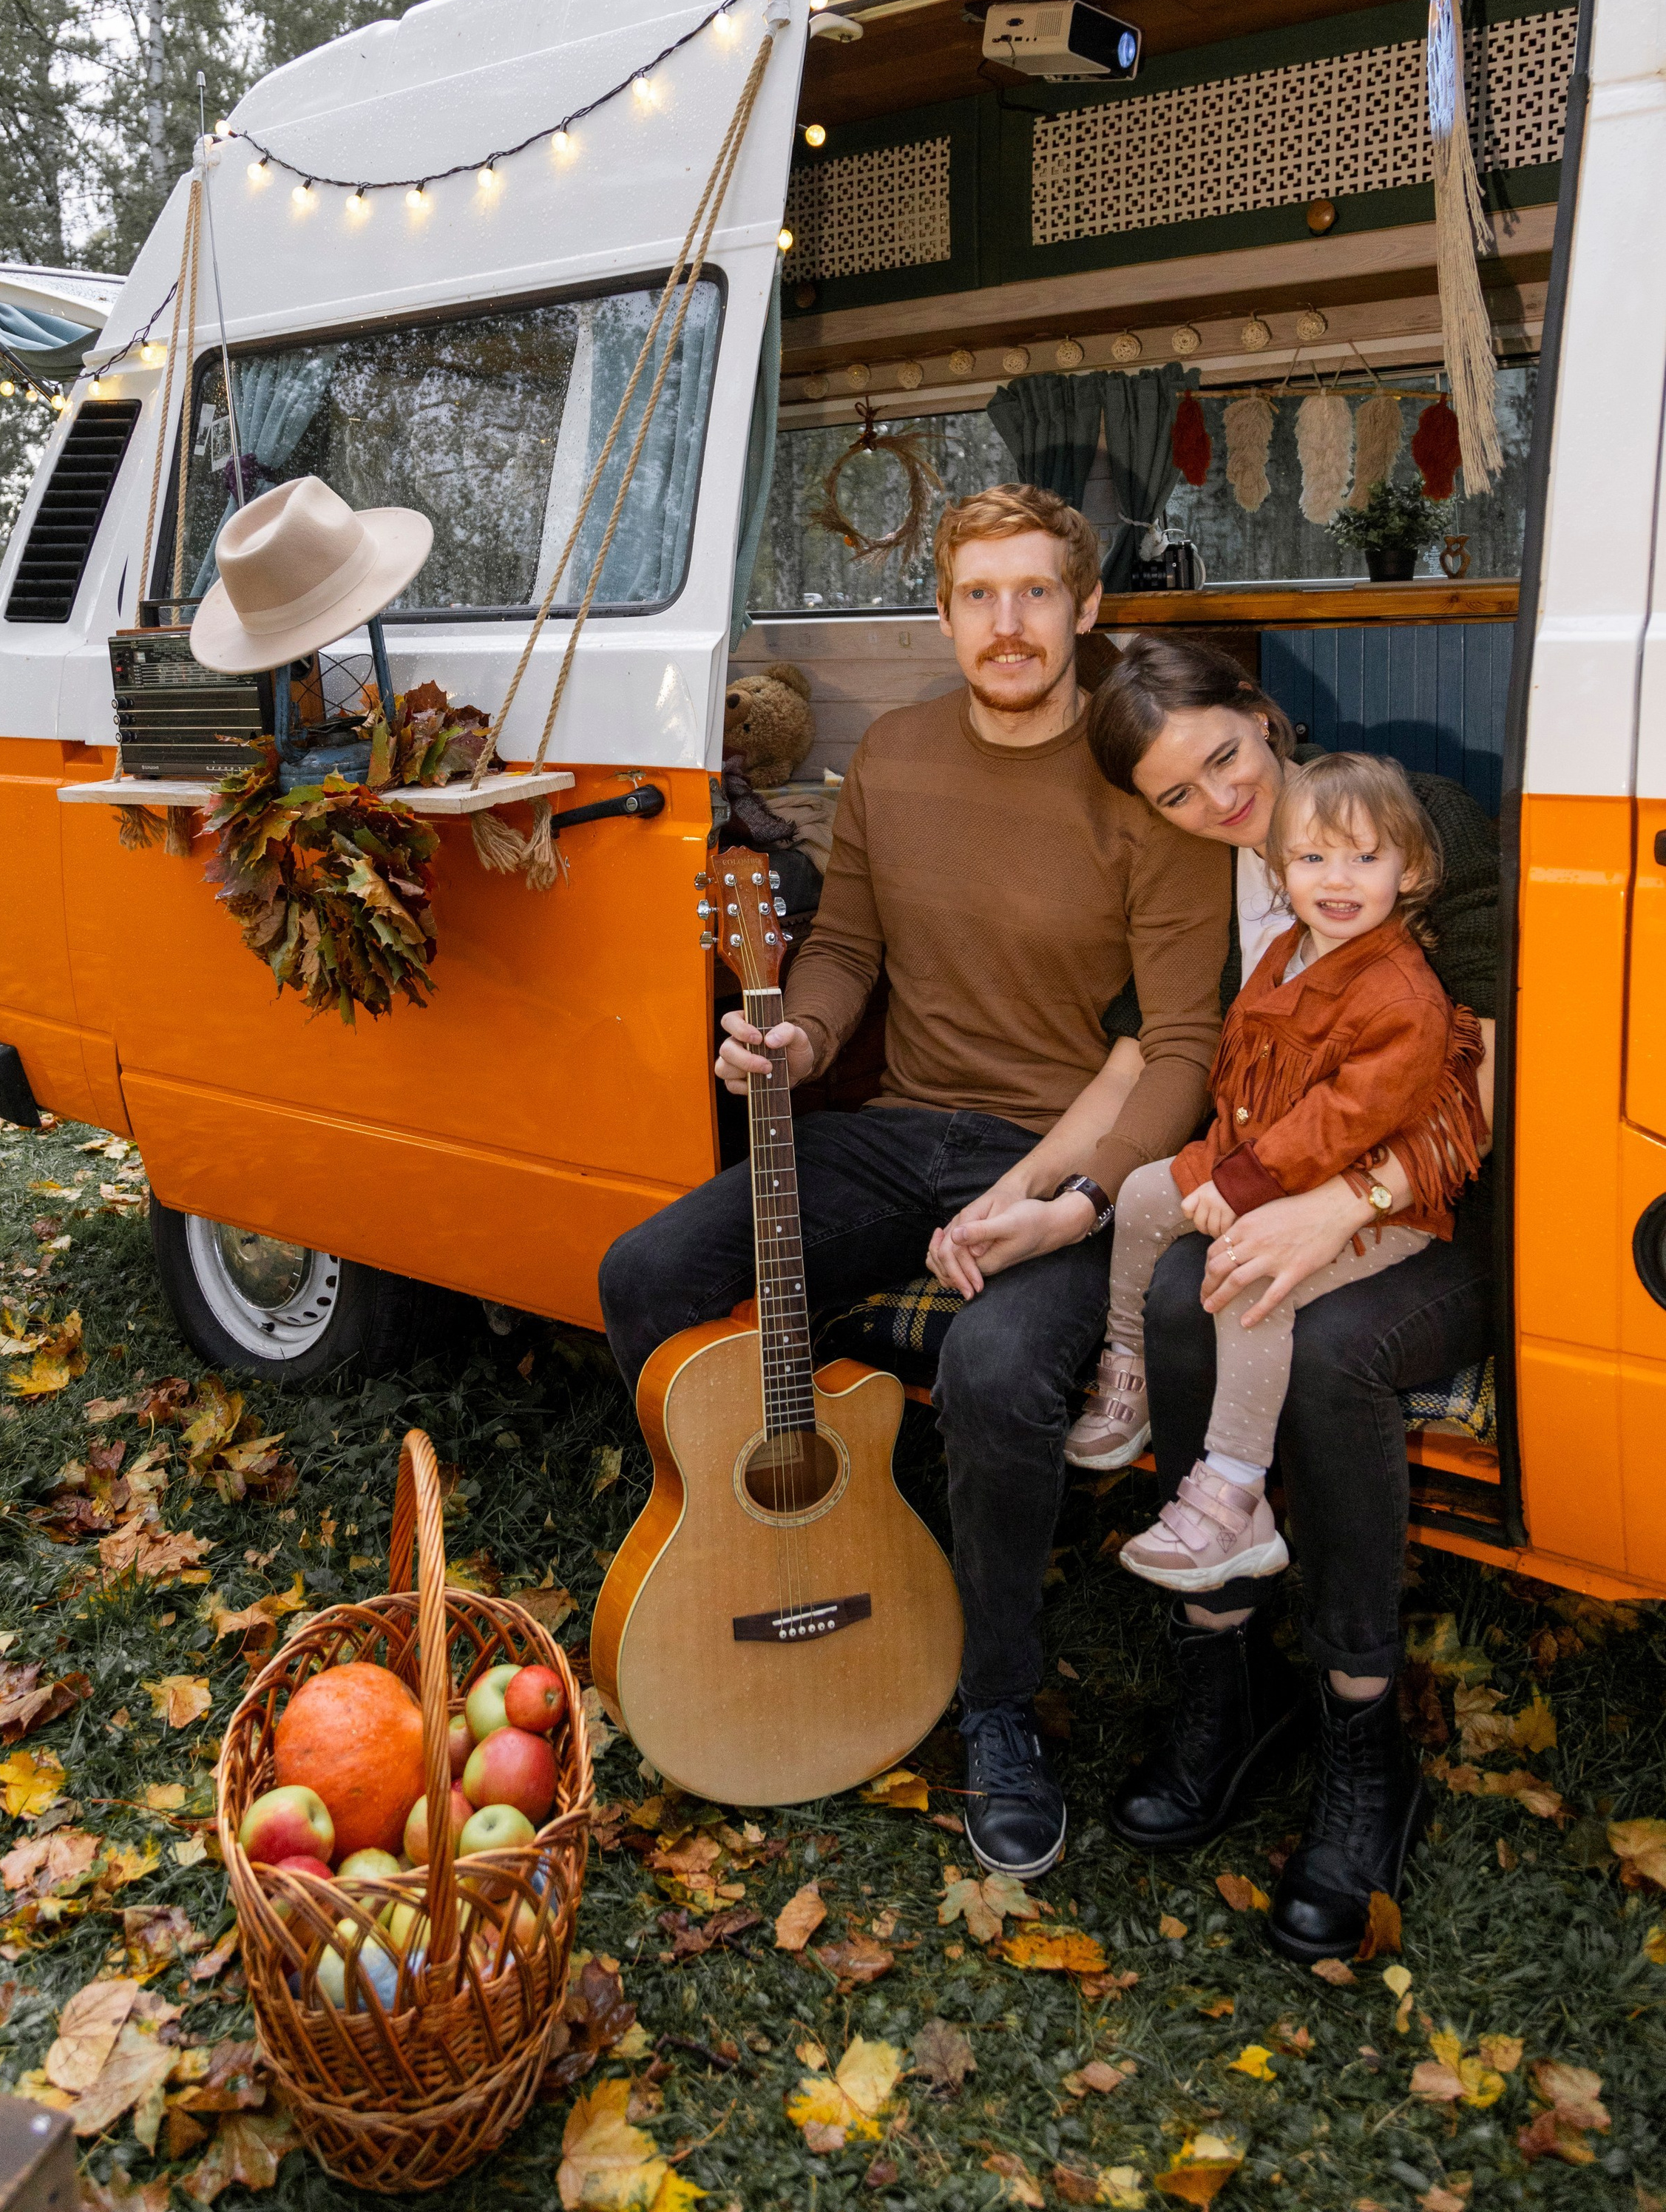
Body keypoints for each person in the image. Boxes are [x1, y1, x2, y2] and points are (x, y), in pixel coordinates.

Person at [598, 487, 1232, 1880]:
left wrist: (1076, 1200)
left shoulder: (1148, 783)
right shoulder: (893, 753)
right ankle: (721, 1561)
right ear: (942, 616)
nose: (1009, 624)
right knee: (647, 1272)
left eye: (1037, 593)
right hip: (898, 1134)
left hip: (1063, 1153)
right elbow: (846, 948)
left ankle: (997, 1703)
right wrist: (800, 1034)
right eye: (980, 596)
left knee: (998, 1370)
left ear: (1087, 609)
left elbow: (1184, 1046)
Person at [930, 632, 1498, 1962]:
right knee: (1191, 1292)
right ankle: (1222, 1681)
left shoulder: (1410, 823)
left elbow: (1489, 1061)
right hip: (1272, 1180)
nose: (1221, 803)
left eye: (1228, 760)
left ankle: (1362, 1738)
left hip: (1434, 1209)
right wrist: (1035, 1191)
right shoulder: (1211, 874)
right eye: (1177, 794)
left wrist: (1337, 1204)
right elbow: (1147, 1056)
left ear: (1264, 713)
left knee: (1334, 1349)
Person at [1071, 751, 1487, 1596]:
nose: (1337, 879)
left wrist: (1239, 1186)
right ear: (1280, 872)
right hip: (1260, 1163)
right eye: (1312, 857)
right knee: (1145, 1192)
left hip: (1368, 1202)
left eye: (1364, 857)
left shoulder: (1403, 996)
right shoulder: (1287, 953)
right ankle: (1129, 1363)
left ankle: (1234, 1496)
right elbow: (1246, 1075)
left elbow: (1345, 1118)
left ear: (1410, 870)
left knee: (1250, 1276)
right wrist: (1213, 1165)